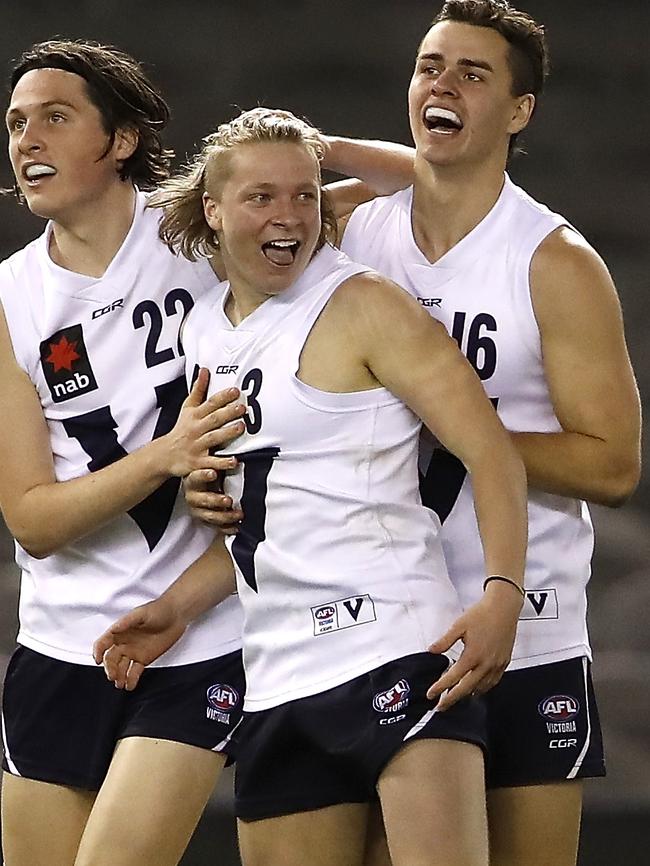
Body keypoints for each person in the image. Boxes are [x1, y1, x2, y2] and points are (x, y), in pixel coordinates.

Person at [95, 106, 529, 866]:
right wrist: (175, 608)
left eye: (305, 194)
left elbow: (494, 455)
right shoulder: (205, 333)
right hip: (278, 677)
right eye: (262, 196)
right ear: (215, 208)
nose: (288, 214)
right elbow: (270, 516)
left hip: (397, 647)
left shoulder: (362, 303)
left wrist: (501, 593)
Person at [317, 2, 641, 865]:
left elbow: (613, 465)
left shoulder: (553, 262)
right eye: (430, 65)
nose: (442, 83)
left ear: (520, 110)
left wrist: (444, 431)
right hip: (387, 622)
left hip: (523, 626)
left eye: (472, 72)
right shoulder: (348, 229)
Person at [0, 40, 252, 866]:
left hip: (200, 637)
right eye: (16, 124)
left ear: (120, 141)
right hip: (61, 642)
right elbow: (33, 520)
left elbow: (386, 198)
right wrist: (166, 456)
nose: (27, 139)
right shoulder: (10, 297)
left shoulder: (200, 231)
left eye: (56, 118)